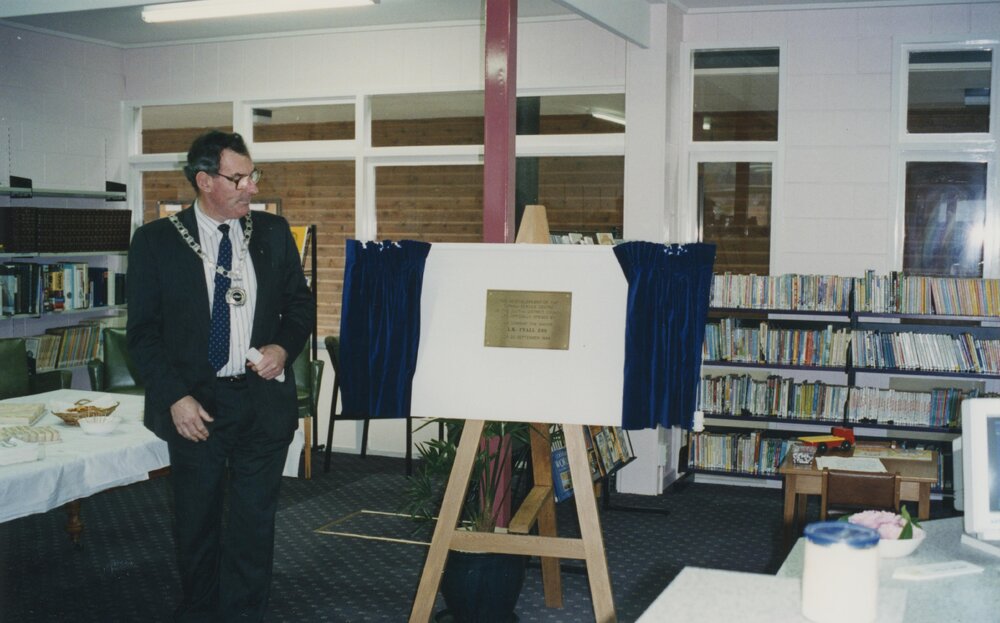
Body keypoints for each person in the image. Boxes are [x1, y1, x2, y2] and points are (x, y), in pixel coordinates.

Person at [127, 130, 315, 621]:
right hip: (196, 407)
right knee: (198, 526)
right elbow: (143, 335)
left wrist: (282, 346)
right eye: (240, 178)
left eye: (254, 176)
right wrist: (174, 397)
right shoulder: (154, 243)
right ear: (205, 180)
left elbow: (300, 307)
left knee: (254, 526)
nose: (252, 187)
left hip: (261, 404)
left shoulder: (273, 233)